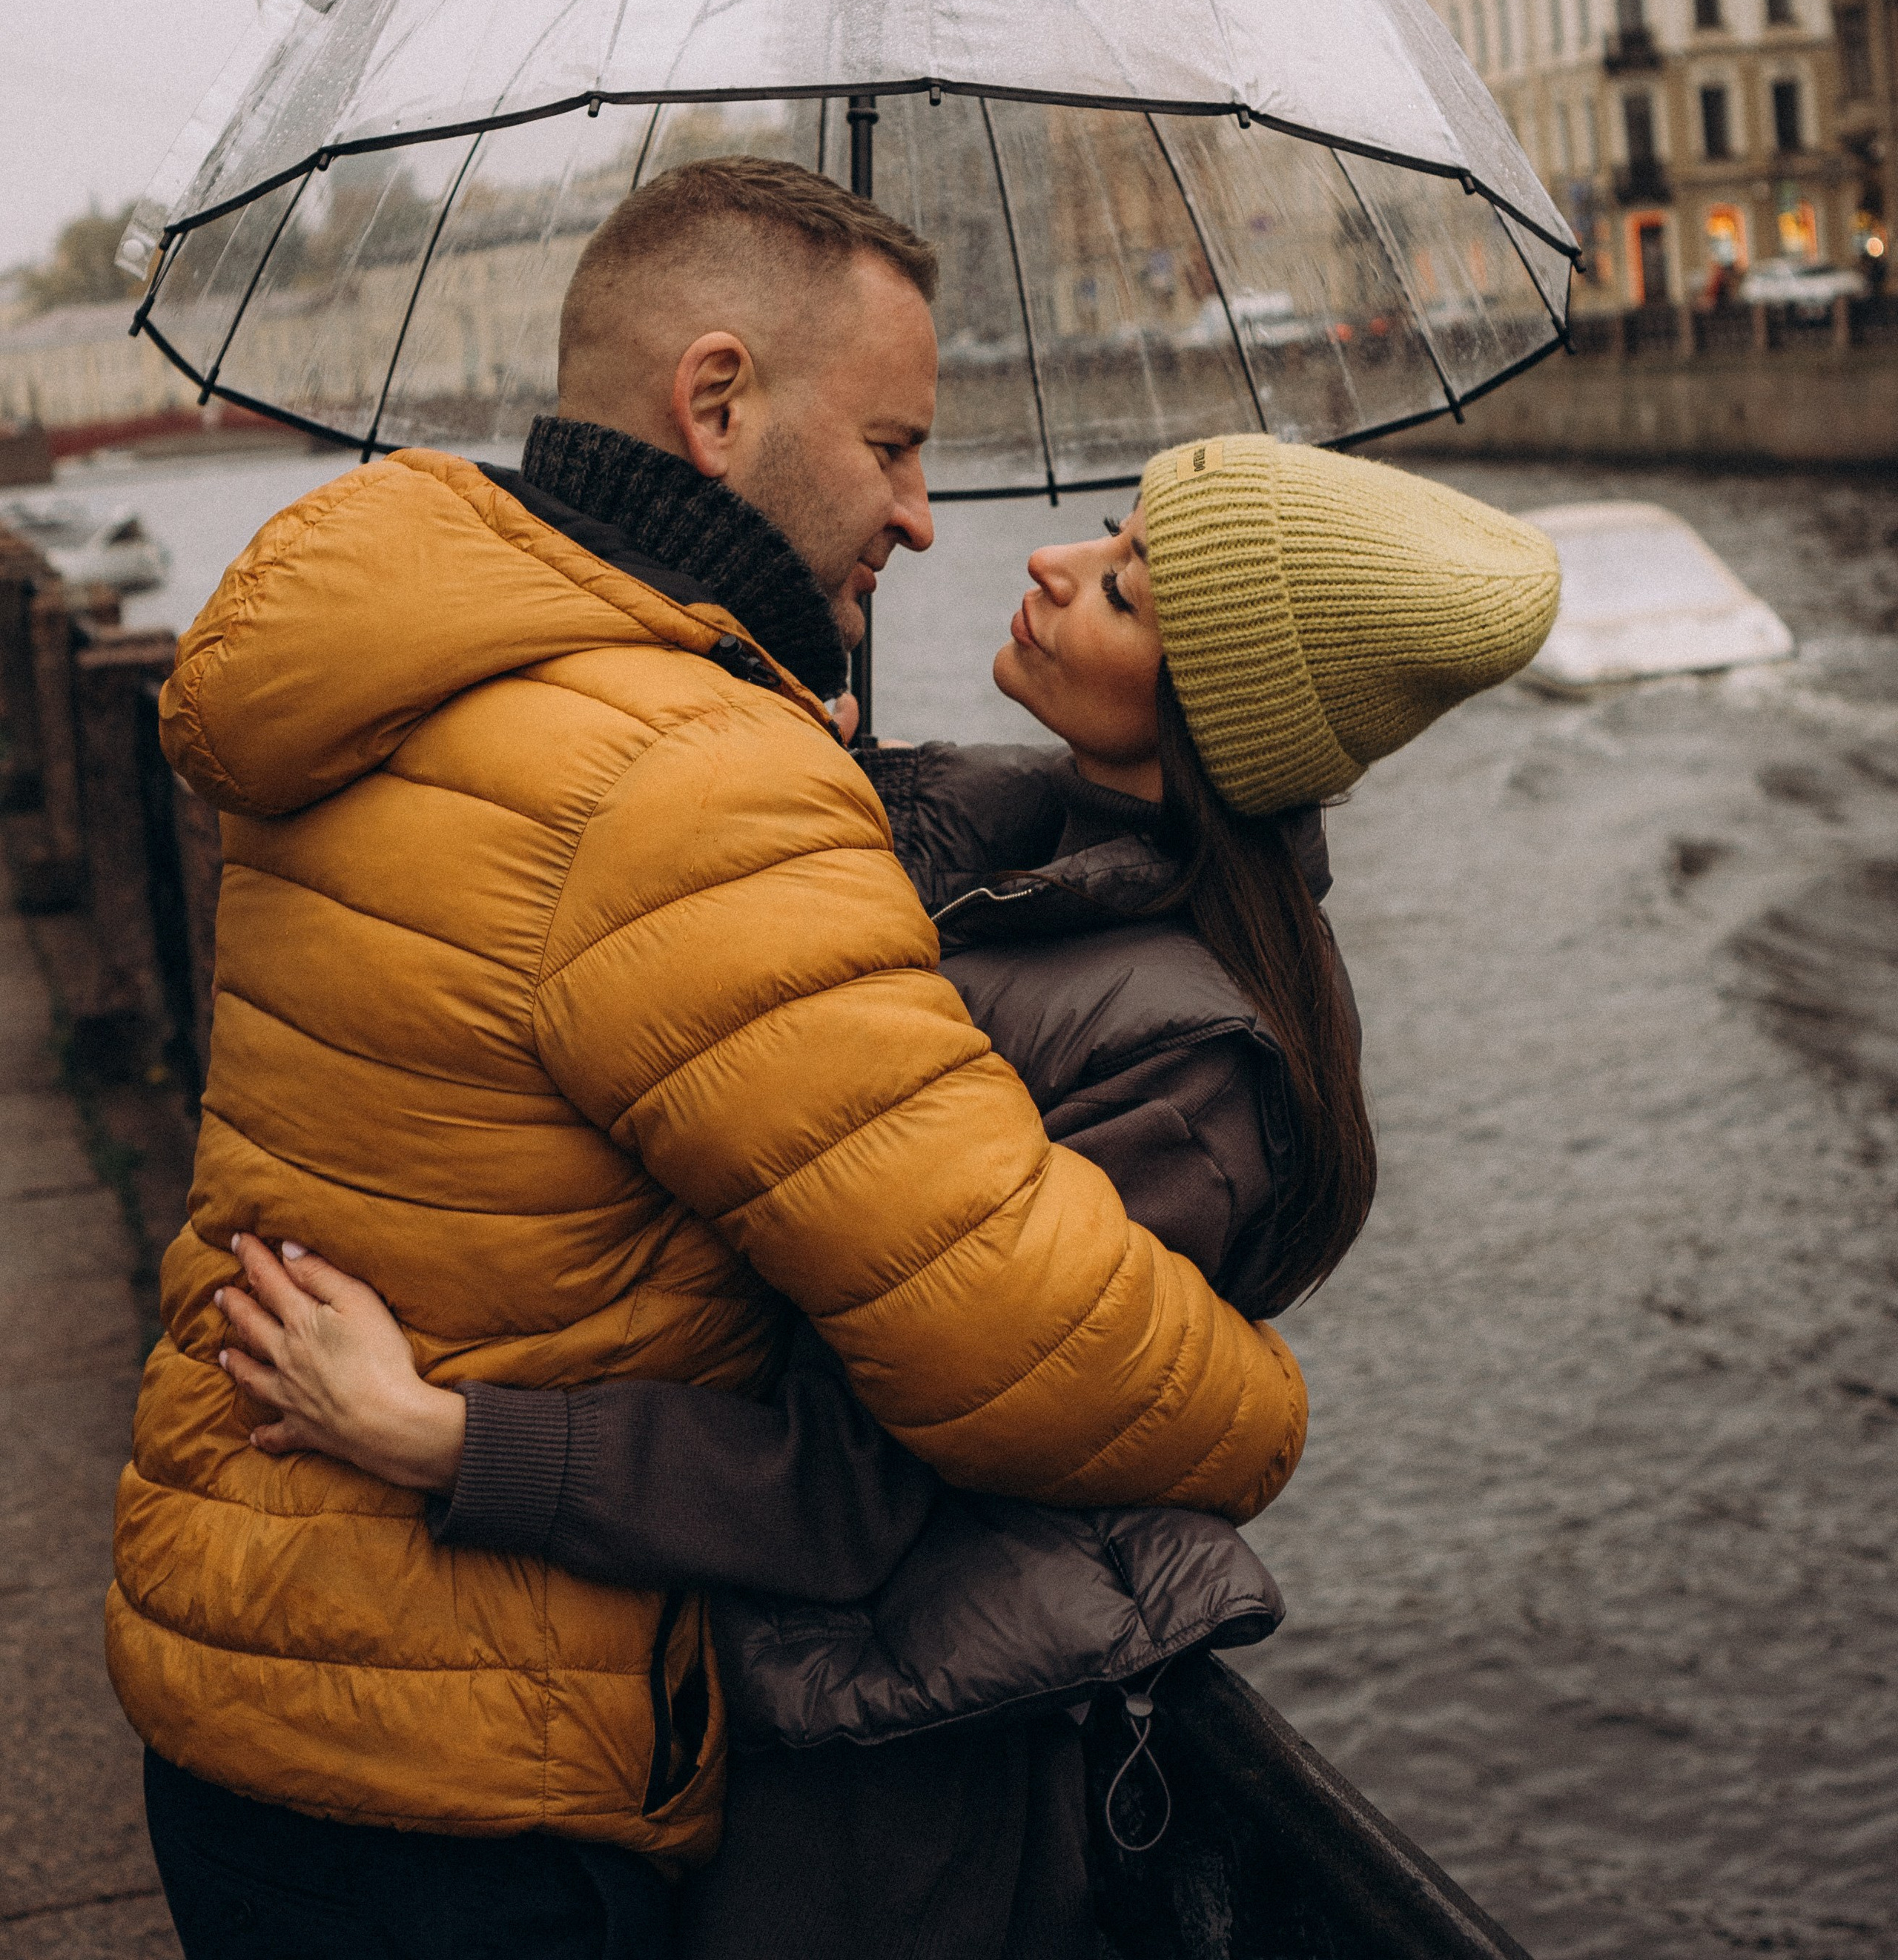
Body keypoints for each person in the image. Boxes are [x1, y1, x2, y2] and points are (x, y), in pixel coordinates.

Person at [110, 161, 1312, 1960]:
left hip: (247, 1644)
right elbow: (1005, 1323)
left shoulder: (423, 643)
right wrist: (1263, 1418)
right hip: (473, 1757)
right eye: (893, 445)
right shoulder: (684, 770)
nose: (919, 518)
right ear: (720, 398)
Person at [206, 428, 1562, 1957]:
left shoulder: (1186, 1072)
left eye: (1123, 589)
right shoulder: (971, 857)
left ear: (1205, 718)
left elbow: (864, 1485)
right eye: (1111, 537)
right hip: (729, 1690)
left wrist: (444, 1437)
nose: (1054, 566)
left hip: (882, 1781)